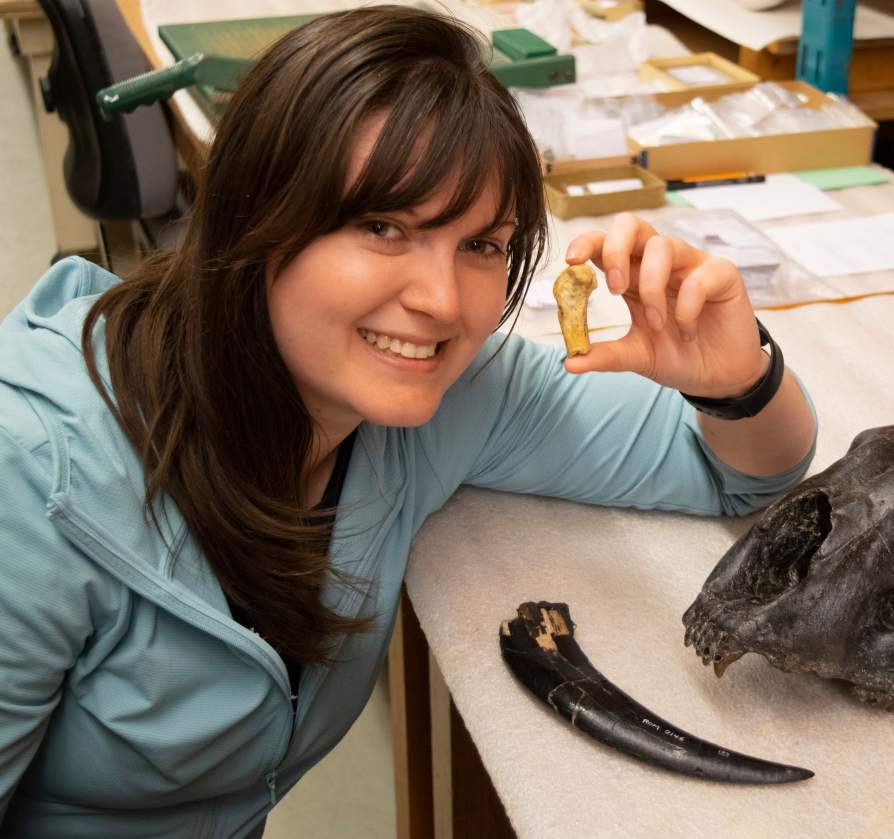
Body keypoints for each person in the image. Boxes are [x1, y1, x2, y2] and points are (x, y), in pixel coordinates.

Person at [0, 6, 816, 837]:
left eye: (483, 245)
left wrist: (736, 379)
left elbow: (739, 471)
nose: (440, 302)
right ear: (254, 215)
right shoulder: (31, 473)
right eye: (382, 226)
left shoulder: (446, 393)